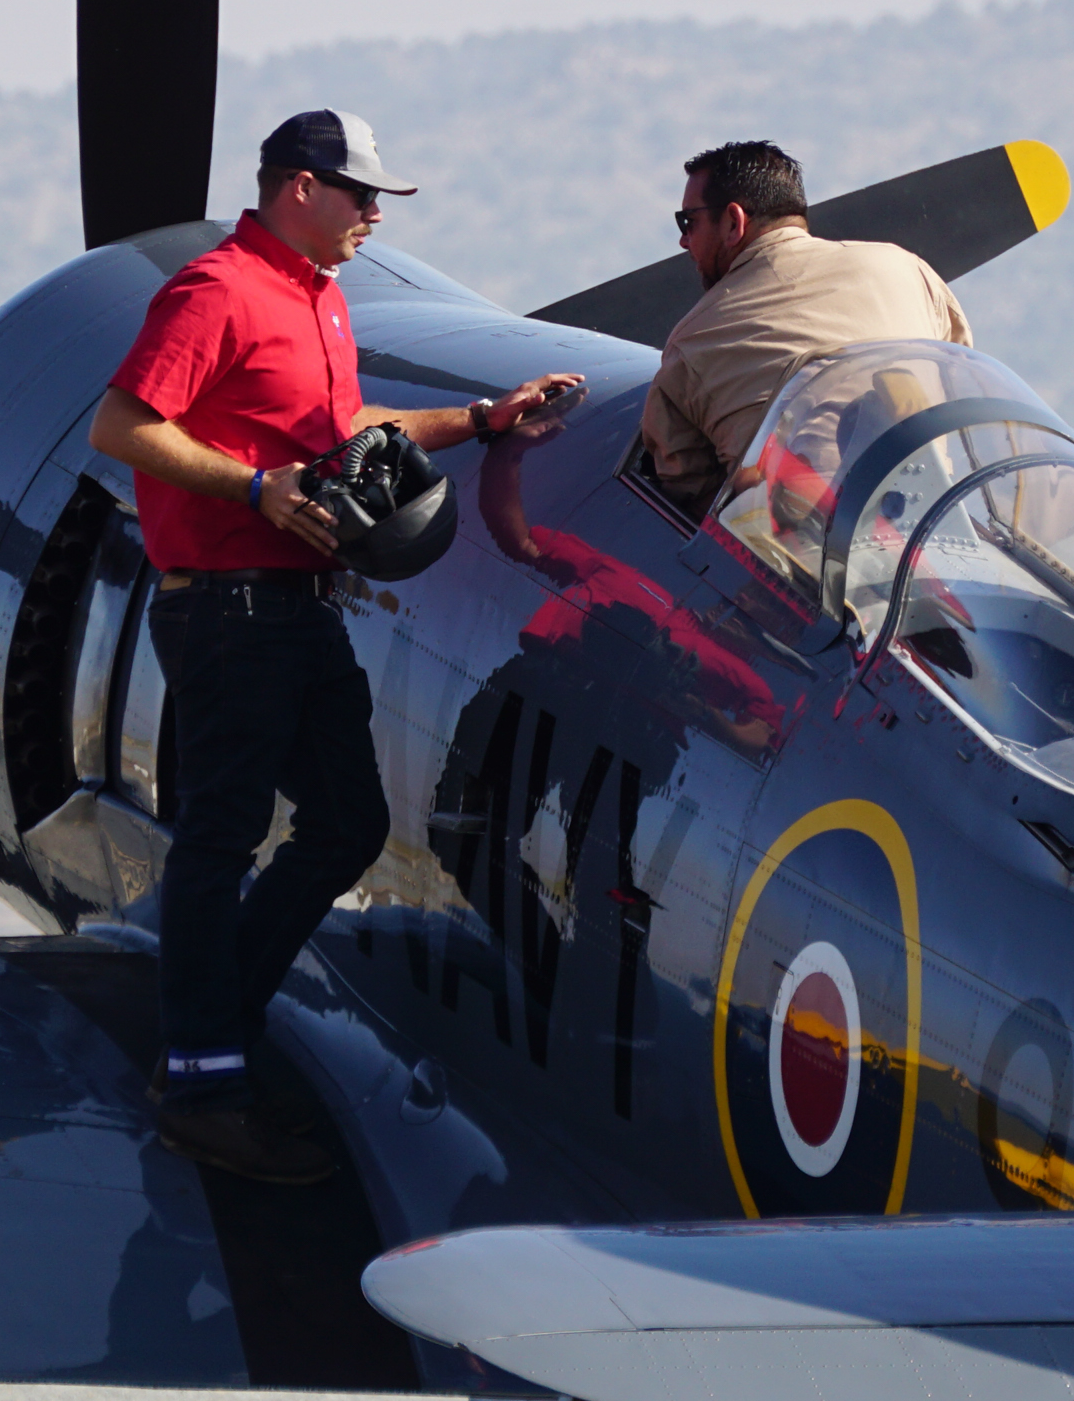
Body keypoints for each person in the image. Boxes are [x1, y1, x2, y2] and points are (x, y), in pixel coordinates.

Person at [88, 108, 578, 1181]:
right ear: (298, 189)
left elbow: (354, 433)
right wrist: (252, 487)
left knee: (345, 823)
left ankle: (219, 1028)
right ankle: (203, 1082)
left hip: (298, 604)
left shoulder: (318, 299)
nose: (373, 217)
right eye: (361, 197)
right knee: (220, 838)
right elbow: (122, 426)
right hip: (225, 606)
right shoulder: (217, 291)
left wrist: (489, 419)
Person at [636, 139, 974, 516]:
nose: (684, 241)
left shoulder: (692, 342)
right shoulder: (909, 269)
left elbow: (690, 492)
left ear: (734, 222)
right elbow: (958, 375)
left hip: (799, 553)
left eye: (689, 222)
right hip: (934, 528)